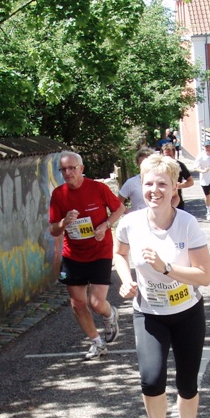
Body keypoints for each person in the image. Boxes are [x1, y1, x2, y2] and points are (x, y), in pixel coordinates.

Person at [114, 153, 210, 418]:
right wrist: (127, 280)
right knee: (151, 380)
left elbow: (205, 276)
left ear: (175, 190)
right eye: (148, 183)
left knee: (187, 383)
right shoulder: (130, 222)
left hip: (187, 312)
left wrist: (167, 268)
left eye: (162, 184)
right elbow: (119, 255)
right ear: (139, 186)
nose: (153, 190)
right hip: (149, 313)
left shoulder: (187, 224)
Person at [49, 151, 125, 360]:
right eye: (63, 169)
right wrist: (64, 222)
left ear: (81, 169)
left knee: (96, 303)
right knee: (77, 303)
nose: (68, 172)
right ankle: (97, 343)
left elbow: (120, 209)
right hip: (73, 255)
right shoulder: (58, 194)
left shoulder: (98, 188)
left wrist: (106, 225)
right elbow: (53, 230)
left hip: (100, 251)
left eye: (72, 168)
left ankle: (110, 314)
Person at [119, 147, 155, 213]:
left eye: (148, 163)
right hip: (139, 221)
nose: (145, 166)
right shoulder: (131, 183)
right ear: (137, 165)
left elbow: (175, 197)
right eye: (141, 164)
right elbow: (118, 202)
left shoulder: (162, 181)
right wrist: (129, 212)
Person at [160, 142, 194, 210]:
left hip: (176, 199)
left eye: (170, 155)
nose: (168, 158)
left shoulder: (179, 165)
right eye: (166, 155)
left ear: (174, 155)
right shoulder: (158, 166)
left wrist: (179, 186)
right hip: (162, 199)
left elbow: (190, 182)